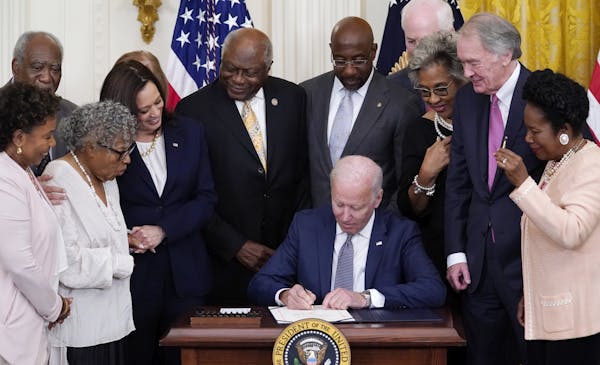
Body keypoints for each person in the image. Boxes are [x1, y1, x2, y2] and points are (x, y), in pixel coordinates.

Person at [175, 28, 309, 305]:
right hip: (222, 264)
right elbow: (187, 193)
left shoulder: (293, 98)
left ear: (268, 68)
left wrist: (291, 245)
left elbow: (302, 176)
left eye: (249, 72)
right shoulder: (193, 111)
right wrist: (235, 245)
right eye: (230, 68)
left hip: (285, 259)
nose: (237, 79)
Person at [100, 60, 217, 365]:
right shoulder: (106, 146)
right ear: (124, 109)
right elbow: (100, 203)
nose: (155, 114)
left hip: (186, 277)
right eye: (143, 110)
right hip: (134, 278)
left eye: (158, 102)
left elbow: (206, 199)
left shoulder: (190, 132)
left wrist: (163, 229)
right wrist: (125, 236)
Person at [444, 13, 544, 365]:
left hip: (527, 265)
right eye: (463, 62)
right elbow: (458, 183)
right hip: (477, 265)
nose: (466, 72)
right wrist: (456, 251)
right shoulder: (468, 100)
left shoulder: (541, 95)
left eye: (473, 62)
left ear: (505, 55)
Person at [495, 69, 600, 365]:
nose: (527, 138)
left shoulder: (592, 165)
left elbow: (571, 231)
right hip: (552, 315)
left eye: (535, 131)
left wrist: (524, 183)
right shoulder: (559, 163)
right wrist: (531, 296)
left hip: (578, 324)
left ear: (564, 130)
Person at [248, 155, 445, 310]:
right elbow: (261, 283)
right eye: (339, 204)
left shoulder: (400, 232)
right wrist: (285, 295)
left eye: (356, 207)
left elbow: (433, 290)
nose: (345, 216)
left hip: (376, 341)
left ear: (377, 198)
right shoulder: (307, 225)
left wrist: (365, 298)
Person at [44, 101, 137, 364]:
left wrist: (128, 238)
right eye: (120, 152)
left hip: (115, 321)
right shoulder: (57, 178)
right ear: (89, 147)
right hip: (81, 330)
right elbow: (66, 262)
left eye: (128, 150)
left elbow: (102, 230)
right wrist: (121, 263)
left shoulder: (108, 178)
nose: (127, 159)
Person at [301, 16, 421, 209]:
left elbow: (403, 181)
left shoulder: (401, 103)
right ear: (331, 49)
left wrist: (385, 229)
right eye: (340, 60)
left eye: (358, 60)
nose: (349, 71)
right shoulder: (308, 93)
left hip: (374, 228)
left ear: (373, 51)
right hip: (317, 227)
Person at [0, 83, 71, 365]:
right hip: (10, 333)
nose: (52, 144)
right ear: (19, 137)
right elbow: (20, 262)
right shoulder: (4, 181)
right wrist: (55, 307)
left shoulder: (23, 171)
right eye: (47, 136)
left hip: (28, 325)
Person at [397, 30, 468, 279]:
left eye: (441, 88)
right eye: (424, 91)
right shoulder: (419, 130)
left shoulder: (484, 124)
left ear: (462, 78)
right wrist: (426, 174)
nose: (433, 99)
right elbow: (409, 208)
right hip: (436, 254)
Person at [3, 31, 77, 176]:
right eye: (37, 67)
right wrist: (32, 187)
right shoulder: (2, 107)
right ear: (16, 67)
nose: (46, 78)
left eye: (54, 69)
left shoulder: (73, 115)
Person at [387, 0, 455, 114]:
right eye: (411, 41)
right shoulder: (391, 89)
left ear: (450, 35)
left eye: (425, 40)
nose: (419, 50)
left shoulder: (471, 81)